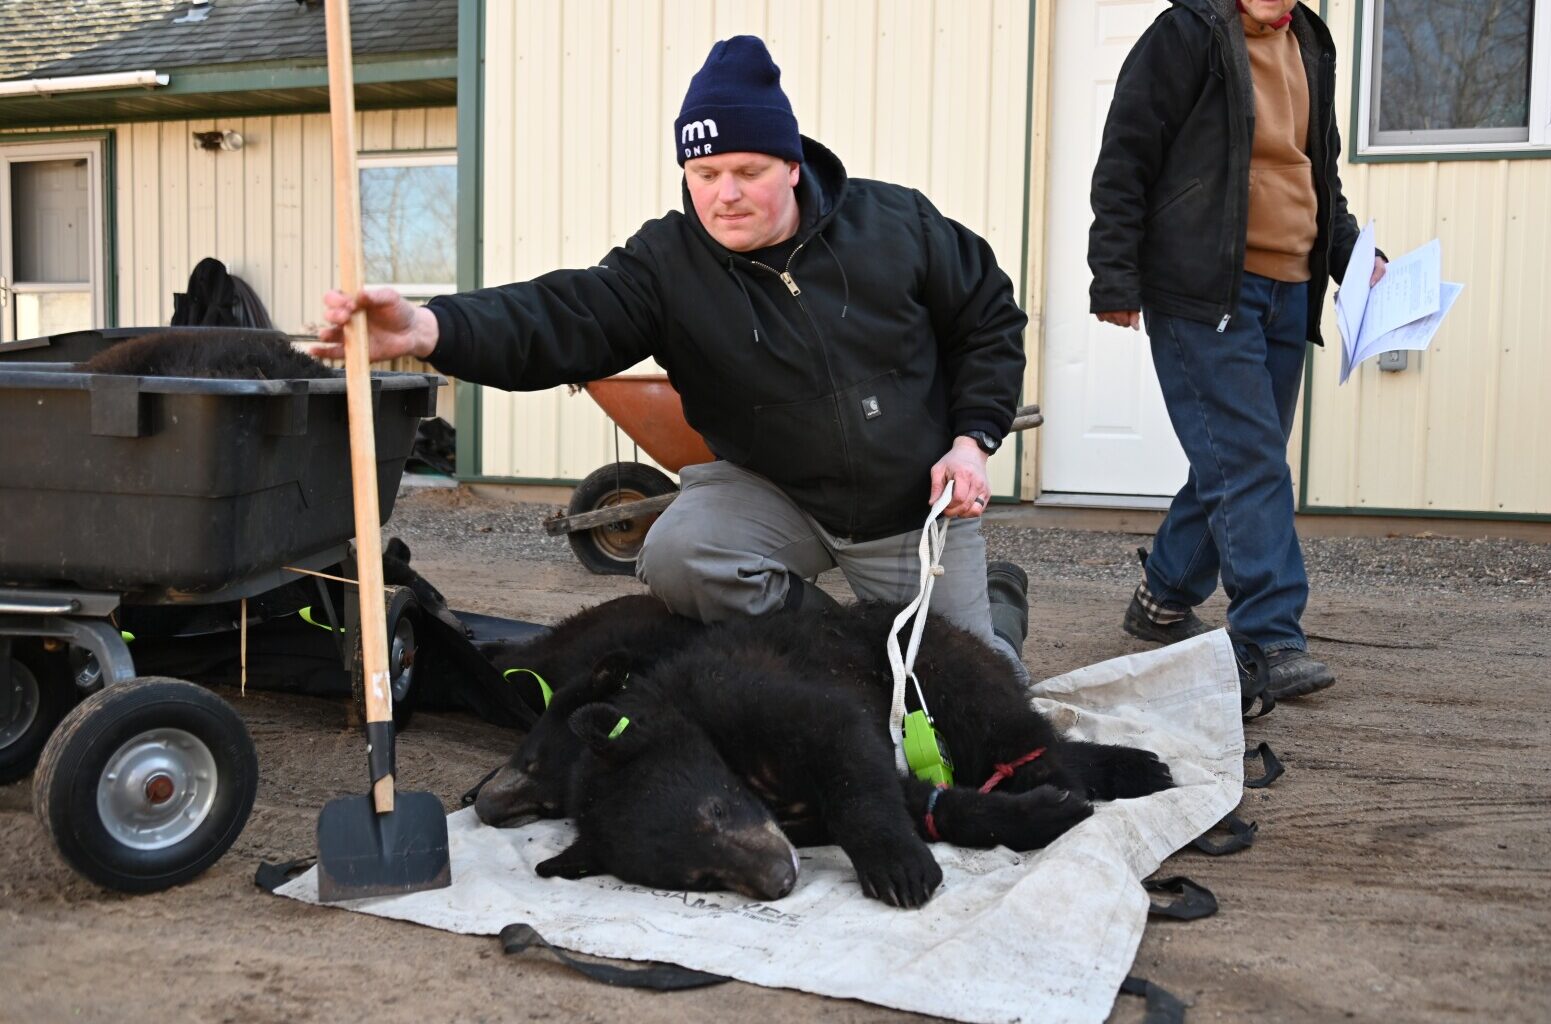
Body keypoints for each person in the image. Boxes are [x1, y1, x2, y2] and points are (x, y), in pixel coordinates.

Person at [318, 36, 1031, 667]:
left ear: (790, 163)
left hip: (910, 503)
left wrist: (973, 442)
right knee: (679, 554)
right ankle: (847, 655)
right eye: (703, 173)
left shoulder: (896, 223)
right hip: (773, 489)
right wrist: (429, 328)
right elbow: (561, 314)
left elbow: (989, 318)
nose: (723, 196)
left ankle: (997, 607)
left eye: (747, 171)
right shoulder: (668, 264)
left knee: (976, 696)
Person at [1087, 0, 1385, 699]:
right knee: (1248, 461)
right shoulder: (1187, 33)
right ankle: (1269, 635)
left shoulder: (1309, 39)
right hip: (1201, 288)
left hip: (1288, 288)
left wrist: (1355, 261)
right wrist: (1115, 277)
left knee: (1235, 456)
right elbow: (1126, 157)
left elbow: (1319, 176)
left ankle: (1164, 597)